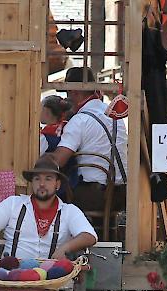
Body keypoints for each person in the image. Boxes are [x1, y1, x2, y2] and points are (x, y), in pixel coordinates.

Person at [0, 156, 98, 260]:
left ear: (57, 184)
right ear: (32, 182)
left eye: (48, 179)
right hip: (10, 278)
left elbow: (89, 236)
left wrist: (65, 248)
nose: (42, 184)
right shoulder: (13, 204)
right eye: (37, 179)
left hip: (53, 279)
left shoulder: (69, 211)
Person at [48, 67, 128, 213]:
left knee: (50, 193)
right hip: (121, 194)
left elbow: (58, 160)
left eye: (67, 93)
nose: (67, 98)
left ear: (75, 92)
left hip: (94, 196)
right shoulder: (115, 117)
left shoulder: (79, 120)